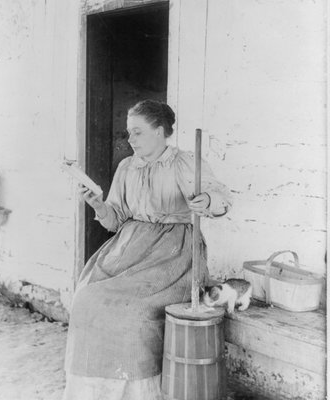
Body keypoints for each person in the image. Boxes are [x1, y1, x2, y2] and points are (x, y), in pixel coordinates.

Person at [63, 100, 232, 400]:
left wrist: (206, 200)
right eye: (129, 133)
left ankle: (138, 393)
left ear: (159, 131)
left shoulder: (184, 162)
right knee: (87, 296)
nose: (130, 140)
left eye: (137, 133)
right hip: (128, 248)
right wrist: (99, 205)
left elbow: (221, 197)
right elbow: (116, 219)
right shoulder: (127, 167)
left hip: (173, 254)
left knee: (134, 313)